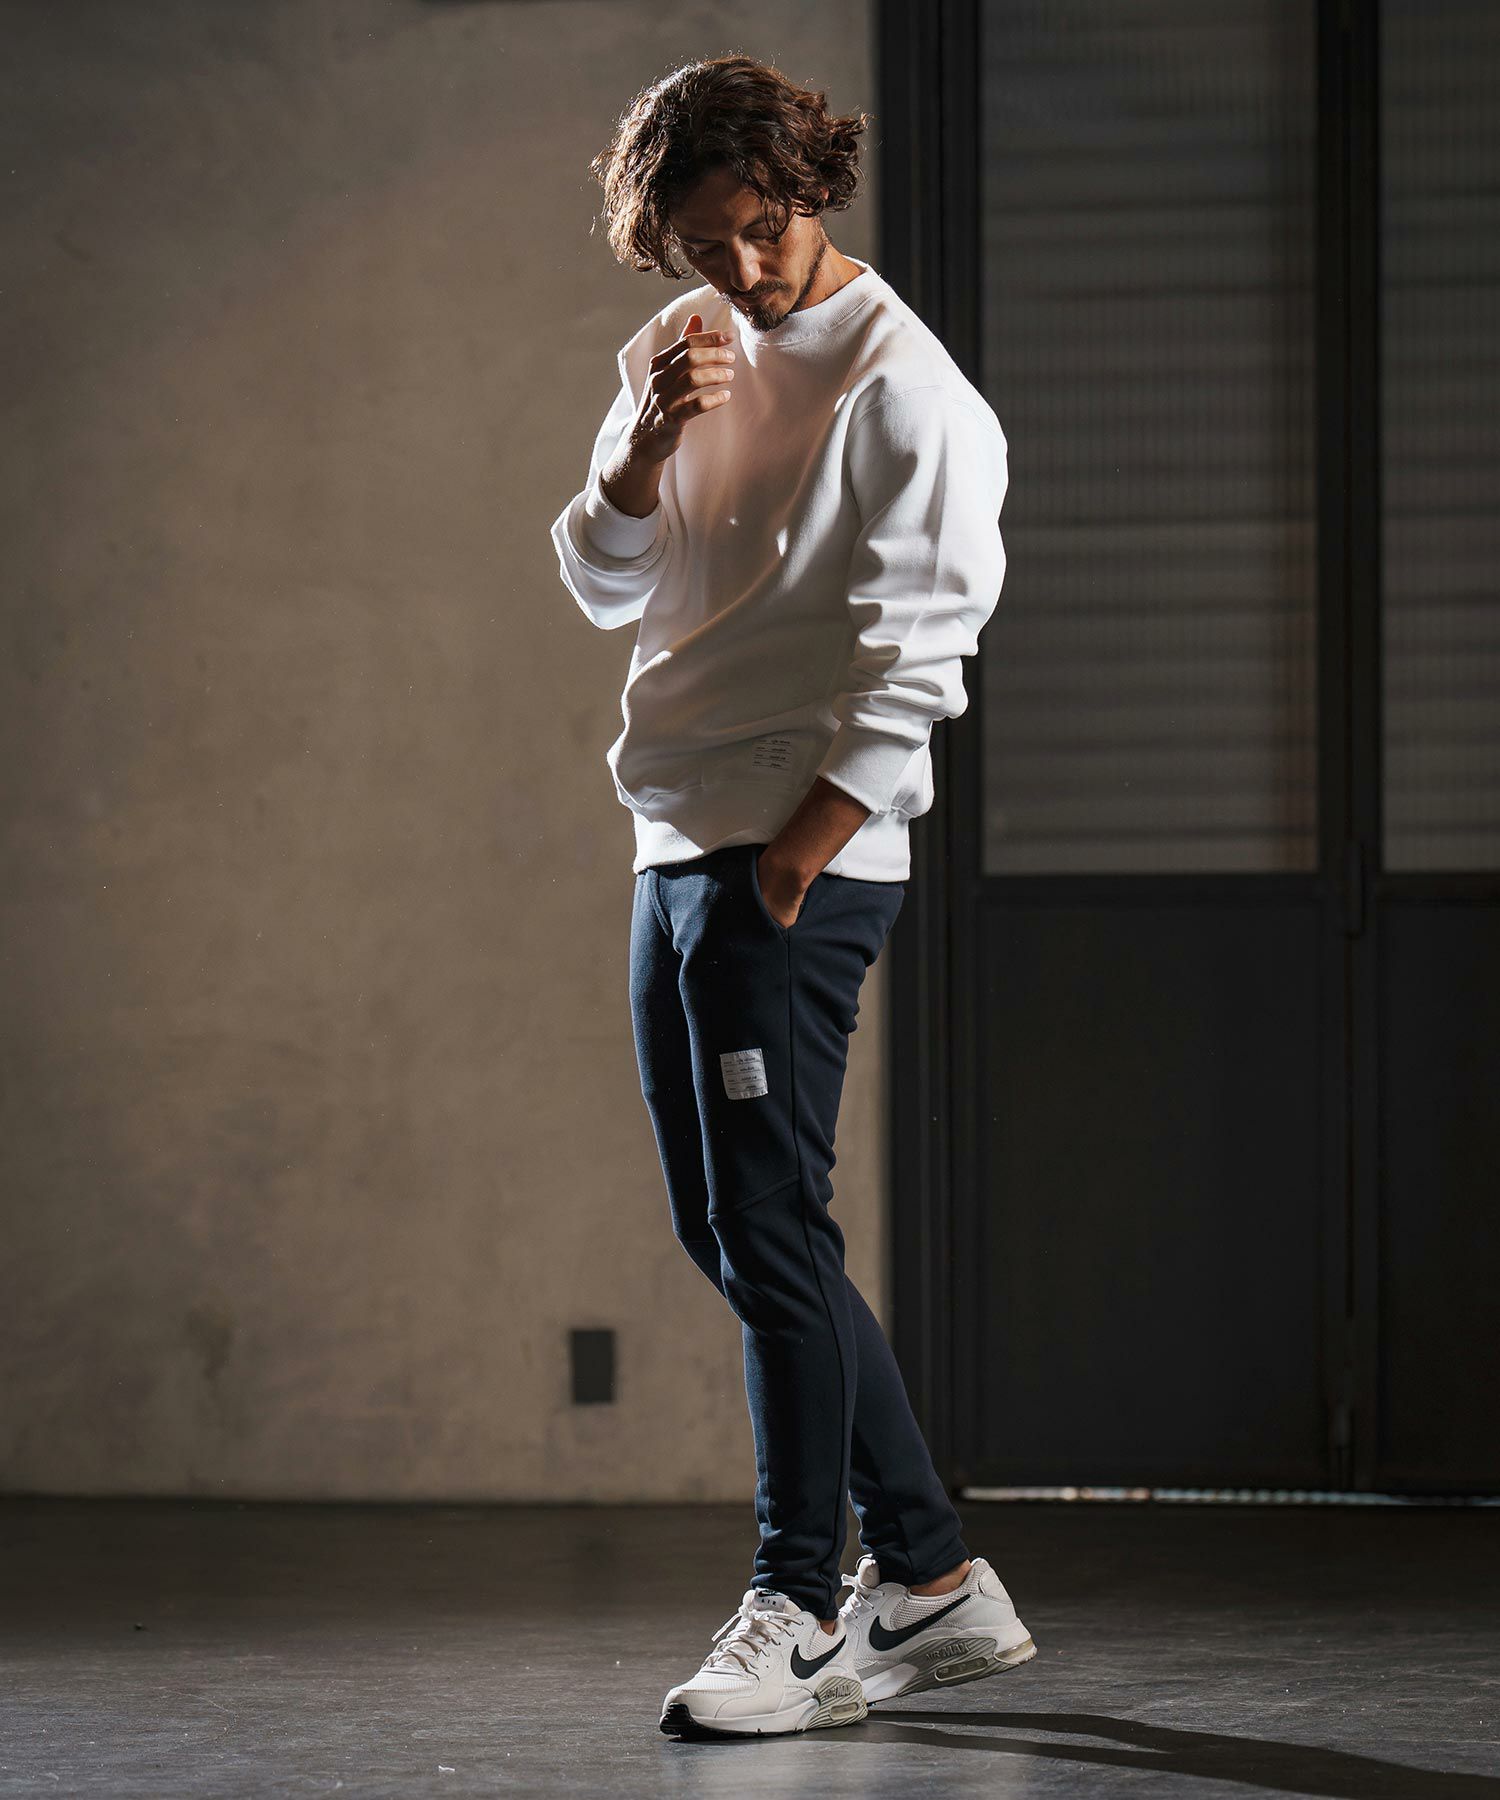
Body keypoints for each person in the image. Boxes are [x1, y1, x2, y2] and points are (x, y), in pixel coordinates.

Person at [549, 54, 1036, 1740]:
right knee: (733, 1225)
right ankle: (937, 1582)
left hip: (789, 859)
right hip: (676, 830)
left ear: (811, 184)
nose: (744, 271)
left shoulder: (909, 389)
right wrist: (639, 454)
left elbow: (924, 660)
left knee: (769, 1225)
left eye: (763, 229)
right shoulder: (676, 352)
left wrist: (796, 857)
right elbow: (606, 580)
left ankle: (806, 1605)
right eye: (705, 246)